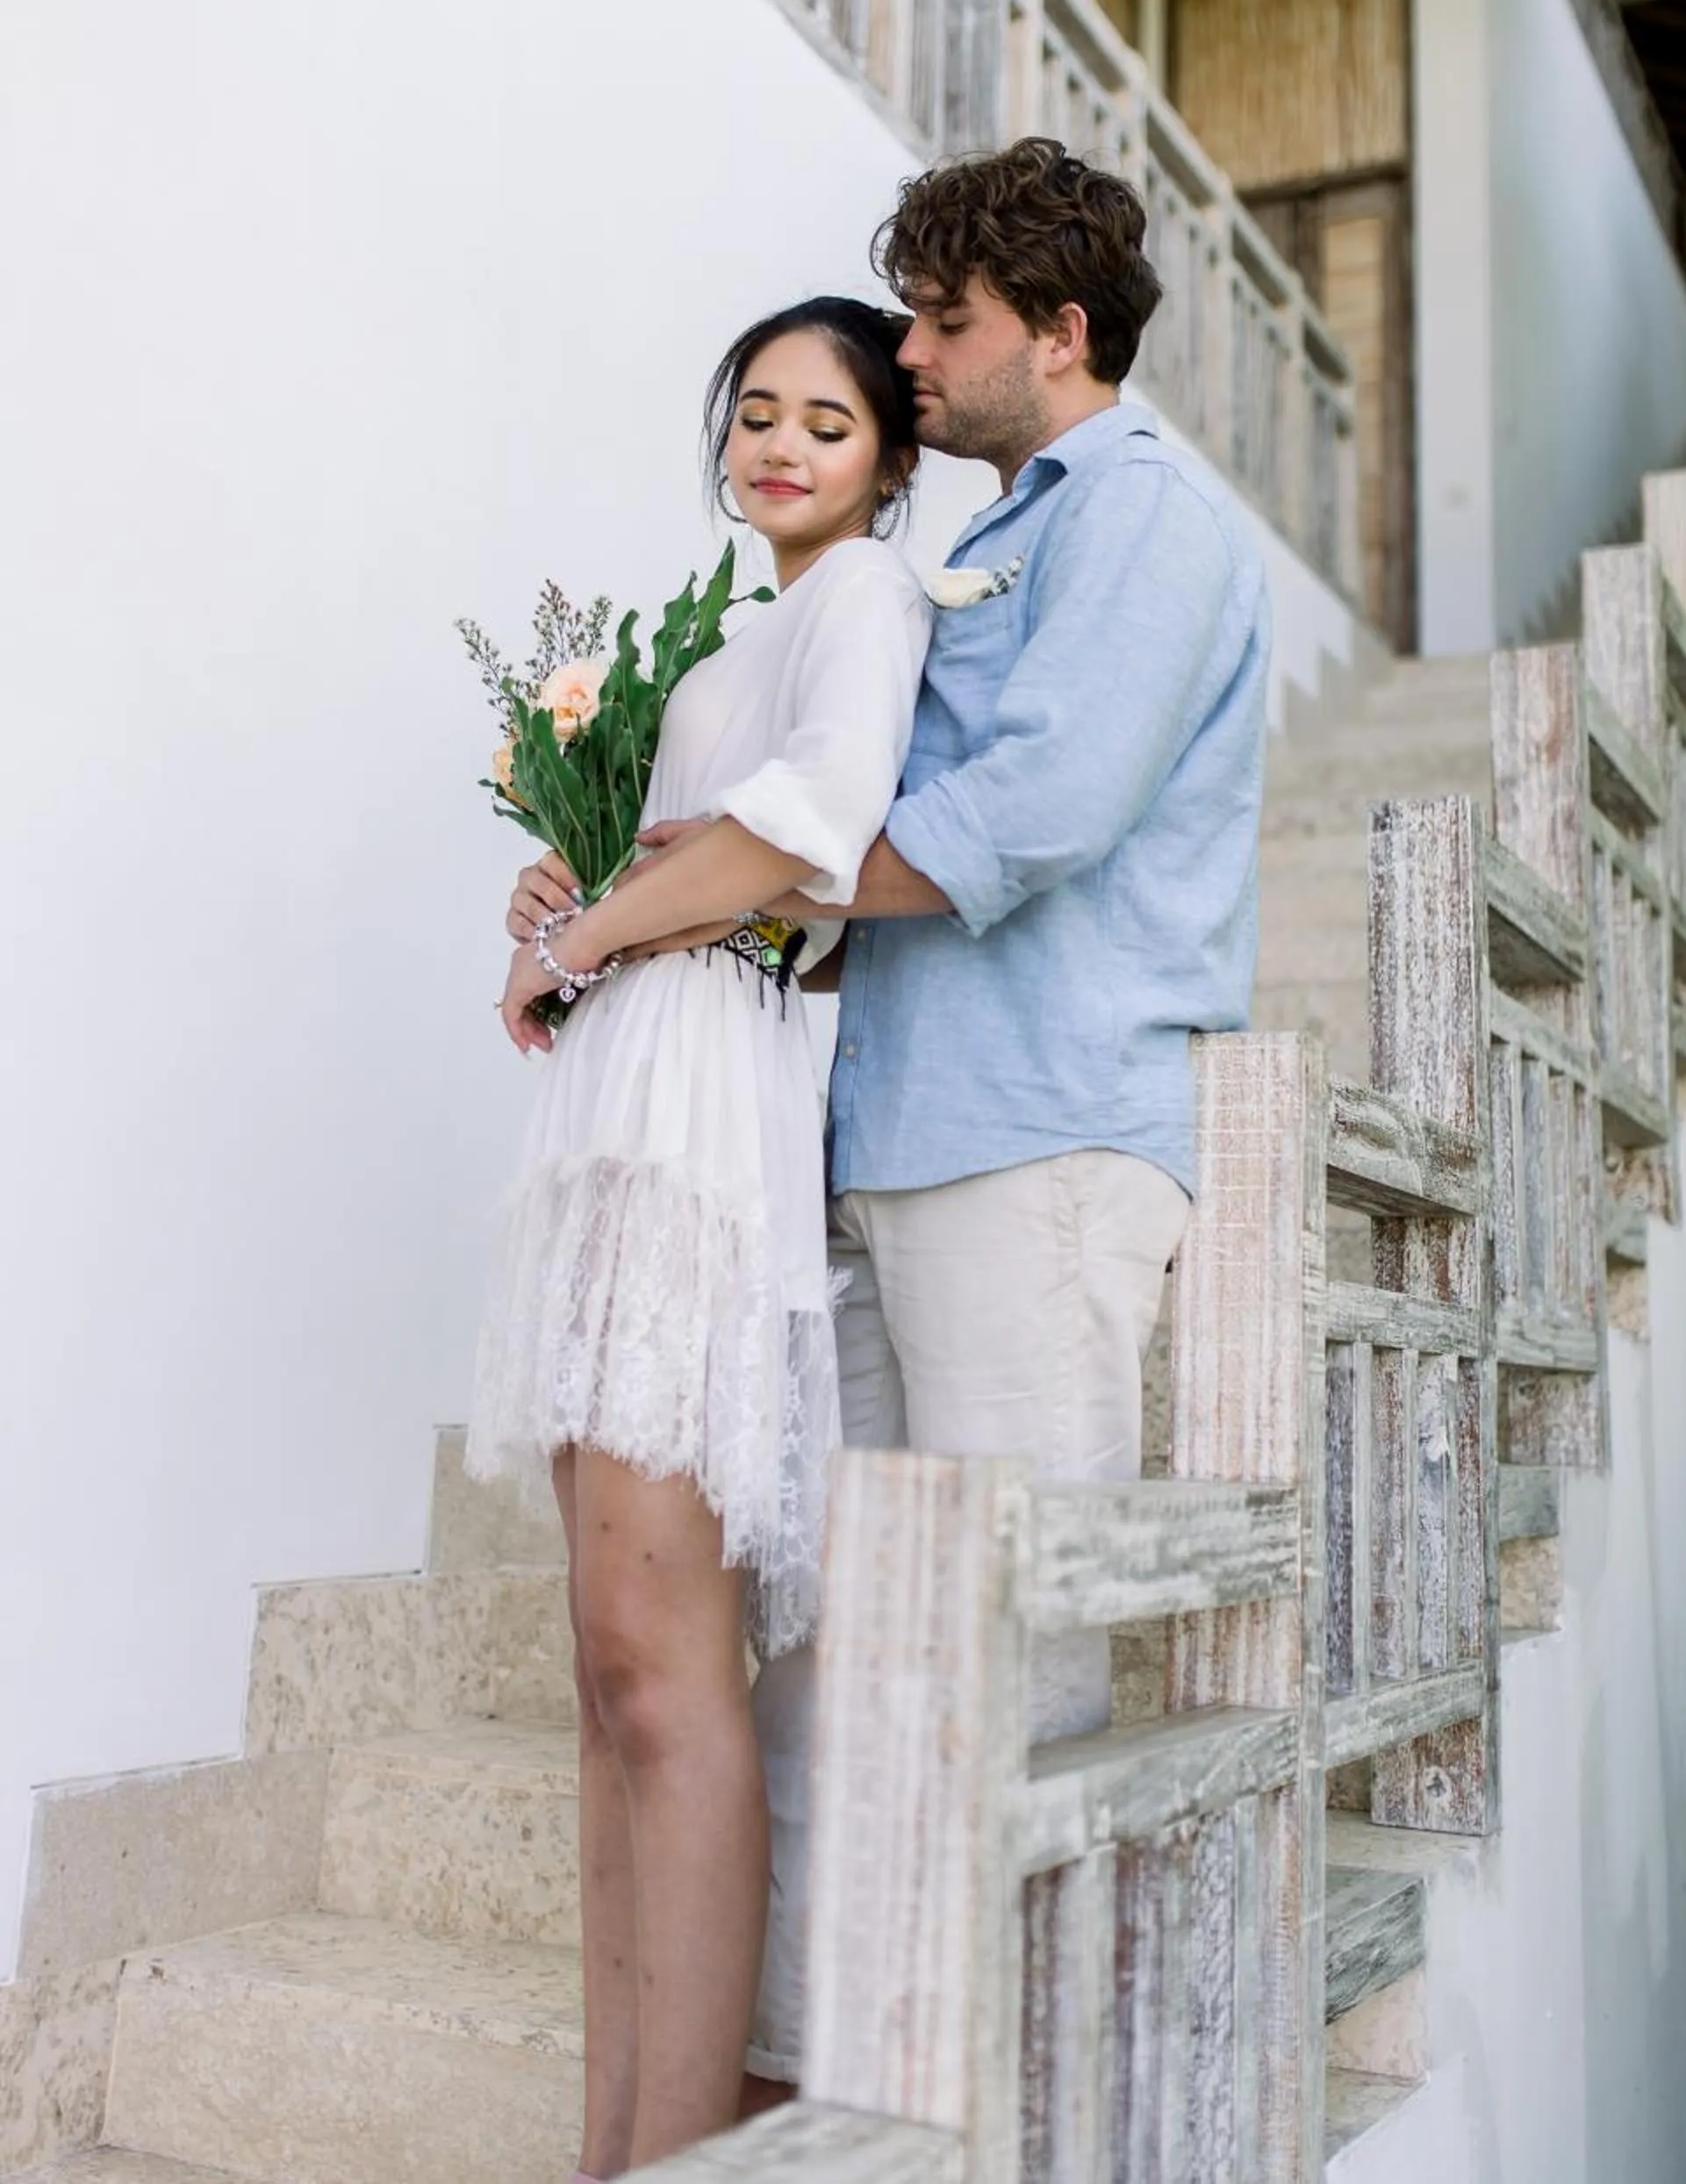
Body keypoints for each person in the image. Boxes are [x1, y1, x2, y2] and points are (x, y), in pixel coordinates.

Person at [510, 137, 1271, 2099]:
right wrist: (671, 904)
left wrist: (738, 878)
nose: (916, 361)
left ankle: (1018, 2094)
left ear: (1062, 332)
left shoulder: (1152, 521)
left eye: (946, 325)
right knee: (834, 1647)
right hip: (878, 1142)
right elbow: (856, 866)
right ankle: (805, 2084)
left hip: (1035, 1143)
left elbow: (1027, 818)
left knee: (1015, 1646)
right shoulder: (982, 544)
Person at [468, 297, 929, 2180]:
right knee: (605, 1661)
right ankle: (612, 2141)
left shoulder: (867, 605)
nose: (781, 443)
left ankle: (678, 2158)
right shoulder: (732, 639)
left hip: (707, 1115)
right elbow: (692, 863)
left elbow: (808, 842)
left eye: (827, 418)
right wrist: (572, 892)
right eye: (756, 411)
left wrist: (598, 931)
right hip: (623, 1092)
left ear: (889, 458)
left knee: (665, 1667)